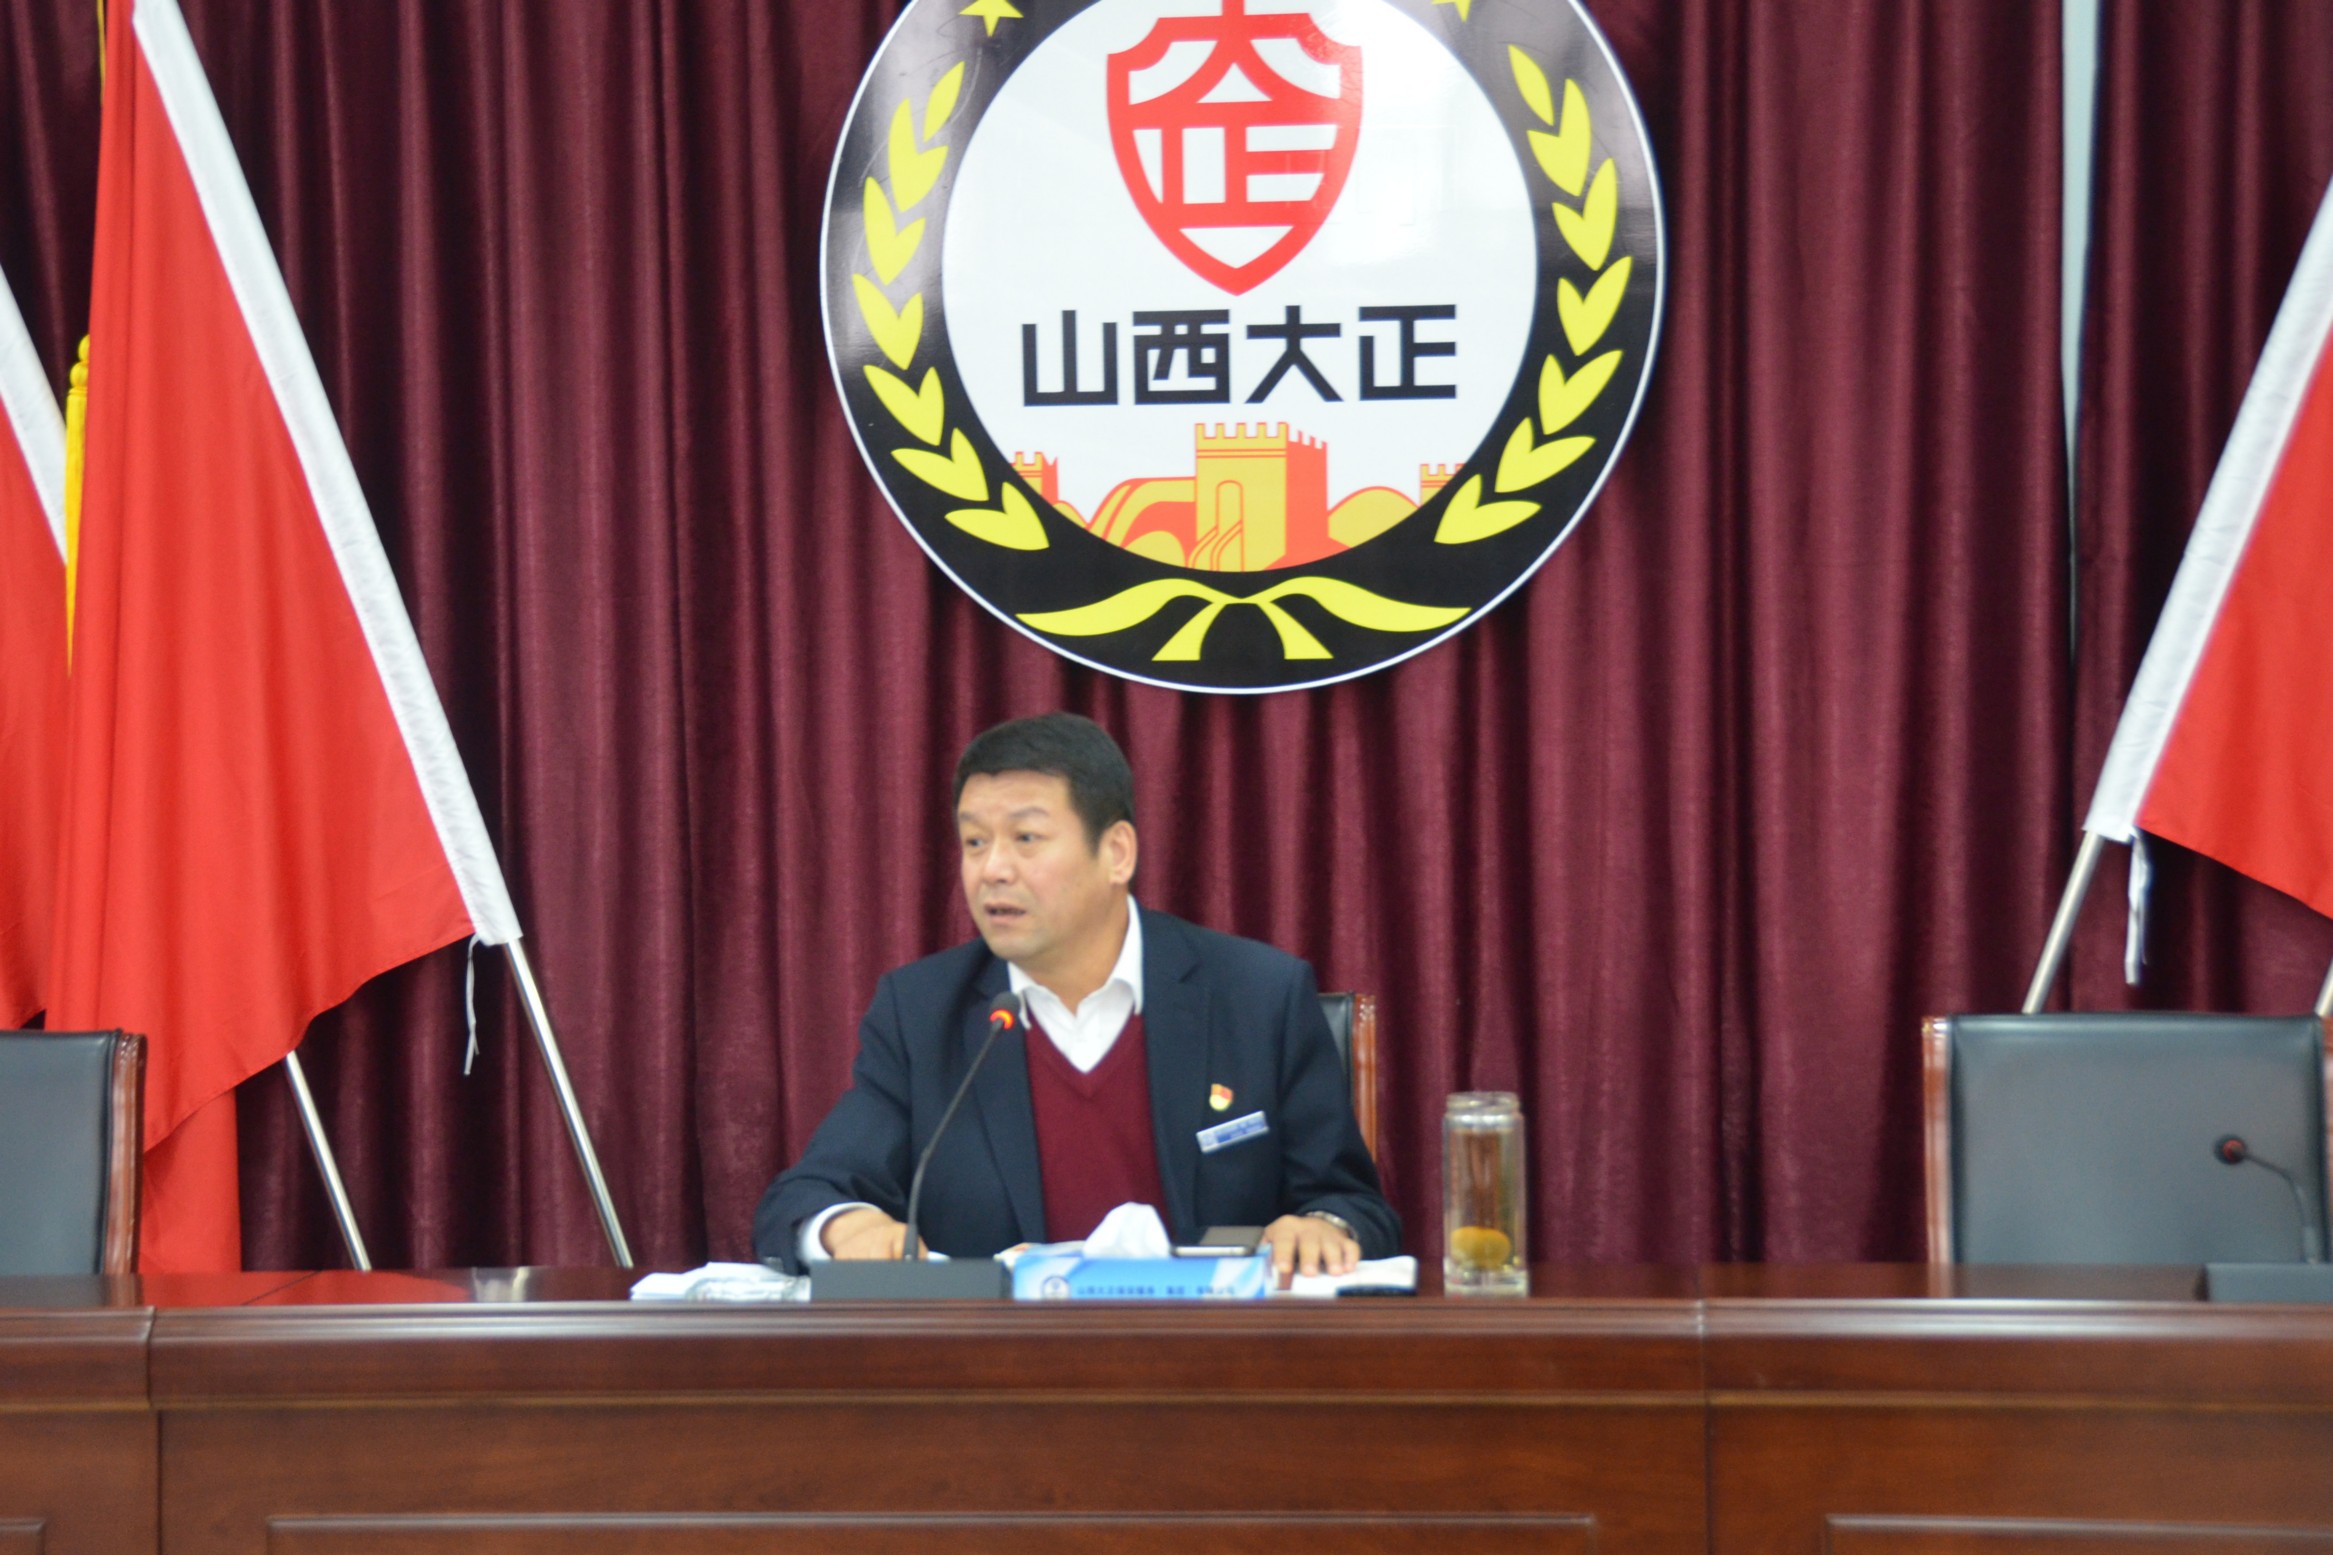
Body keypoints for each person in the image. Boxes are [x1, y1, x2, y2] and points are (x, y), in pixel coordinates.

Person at [755, 712, 1398, 1279]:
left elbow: (1353, 1205)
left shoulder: (1257, 996)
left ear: (1116, 853)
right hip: (997, 1368)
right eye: (975, 842)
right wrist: (847, 1227)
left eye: (1026, 839)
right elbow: (804, 1198)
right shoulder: (923, 1014)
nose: (992, 869)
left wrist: (1322, 1228)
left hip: (1213, 1359)